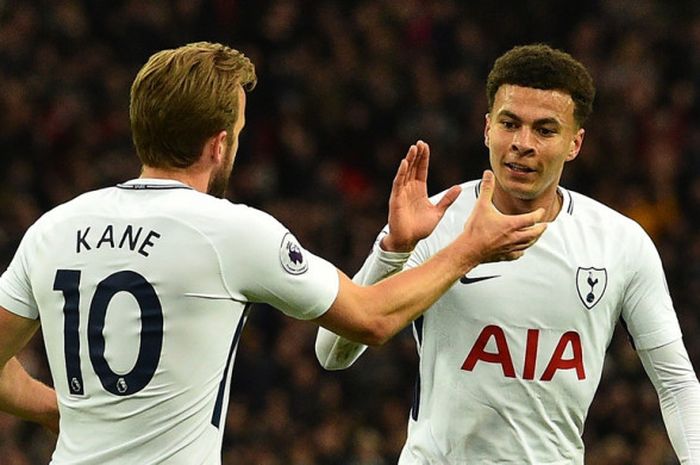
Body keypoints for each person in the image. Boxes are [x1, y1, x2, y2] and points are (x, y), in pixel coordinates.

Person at [0, 42, 547, 465]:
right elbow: (373, 320)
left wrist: (61, 410)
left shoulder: (54, 228)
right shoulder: (229, 232)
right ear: (220, 144)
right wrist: (469, 248)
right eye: (237, 130)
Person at [315, 43, 700, 464]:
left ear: (575, 143)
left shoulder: (619, 242)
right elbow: (331, 353)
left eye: (545, 130)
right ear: (486, 129)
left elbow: (677, 384)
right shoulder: (433, 220)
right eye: (509, 123)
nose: (523, 143)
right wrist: (394, 250)